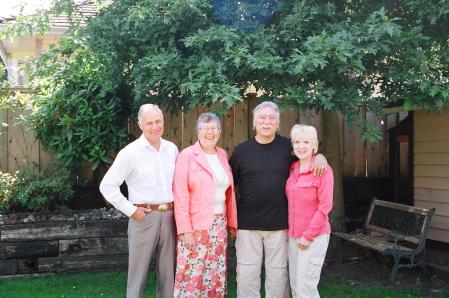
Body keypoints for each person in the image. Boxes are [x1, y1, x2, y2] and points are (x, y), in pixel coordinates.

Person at [229, 101, 327, 298]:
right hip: (248, 225)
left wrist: (320, 157)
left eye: (272, 118)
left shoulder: (287, 148)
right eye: (262, 118)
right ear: (254, 122)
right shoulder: (241, 151)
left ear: (278, 123)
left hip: (280, 225)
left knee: (278, 276)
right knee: (247, 275)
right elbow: (231, 185)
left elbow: (306, 156)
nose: (267, 122)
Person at [99, 104, 178, 298]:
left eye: (158, 121)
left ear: (163, 121)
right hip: (143, 217)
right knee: (138, 274)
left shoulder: (172, 149)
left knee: (169, 274)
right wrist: (130, 210)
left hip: (170, 216)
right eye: (149, 123)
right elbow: (107, 186)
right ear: (140, 125)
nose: (155, 126)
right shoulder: (130, 152)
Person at [173, 112, 238, 298]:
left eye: (214, 128)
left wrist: (231, 222)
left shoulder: (222, 155)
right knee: (192, 273)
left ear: (219, 131)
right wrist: (185, 230)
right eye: (205, 128)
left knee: (213, 271)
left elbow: (227, 192)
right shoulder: (187, 155)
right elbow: (180, 194)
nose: (209, 132)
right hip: (195, 226)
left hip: (218, 224)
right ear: (197, 131)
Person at [286, 124, 333, 298]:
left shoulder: (323, 170)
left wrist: (308, 236)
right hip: (293, 236)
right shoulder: (292, 168)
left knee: (306, 287)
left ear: (315, 145)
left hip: (313, 236)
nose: (301, 146)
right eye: (297, 142)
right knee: (296, 285)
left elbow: (325, 206)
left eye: (306, 142)